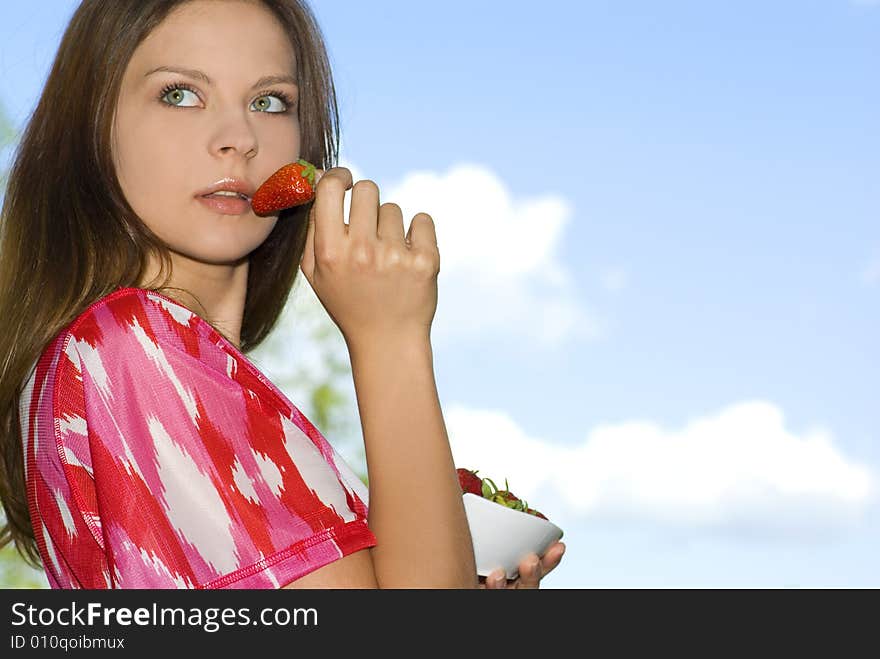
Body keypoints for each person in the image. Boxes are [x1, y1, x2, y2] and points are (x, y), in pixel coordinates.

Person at [0, 0, 565, 589]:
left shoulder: (109, 358)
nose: (239, 139)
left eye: (269, 102)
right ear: (91, 123)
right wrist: (390, 338)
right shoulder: (130, 346)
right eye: (180, 94)